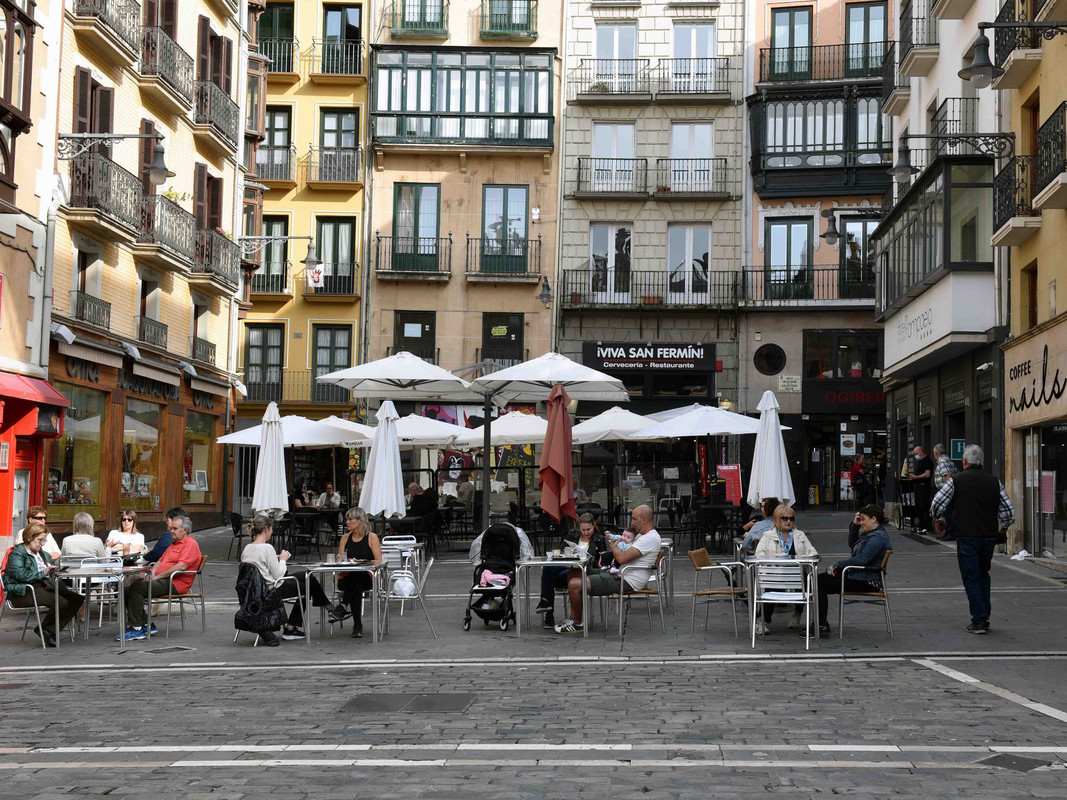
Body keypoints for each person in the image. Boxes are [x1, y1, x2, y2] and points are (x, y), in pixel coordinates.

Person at [930, 444, 1015, 635]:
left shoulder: (956, 480)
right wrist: (1003, 528)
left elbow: (937, 502)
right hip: (988, 536)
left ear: (965, 461)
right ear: (981, 461)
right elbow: (1008, 510)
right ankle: (984, 616)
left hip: (966, 535)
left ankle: (978, 620)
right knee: (983, 573)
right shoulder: (994, 481)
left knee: (971, 576)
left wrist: (938, 519)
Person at [555, 505, 662, 635]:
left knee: (574, 584)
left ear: (644, 519)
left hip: (626, 580)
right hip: (618, 572)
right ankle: (573, 618)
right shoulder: (641, 535)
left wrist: (612, 546)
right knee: (574, 572)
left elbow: (622, 558)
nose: (632, 522)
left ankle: (577, 623)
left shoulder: (650, 538)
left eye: (634, 519)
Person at [241, 514, 338, 644]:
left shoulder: (247, 548)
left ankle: (329, 608)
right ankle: (292, 627)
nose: (272, 531)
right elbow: (279, 575)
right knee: (308, 586)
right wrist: (283, 560)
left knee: (308, 576)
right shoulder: (267, 548)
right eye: (272, 528)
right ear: (266, 529)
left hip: (255, 590)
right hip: (272, 589)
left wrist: (274, 560)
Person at [117, 514, 202, 641]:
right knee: (126, 589)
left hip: (175, 583)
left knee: (136, 588)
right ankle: (145, 624)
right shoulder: (174, 544)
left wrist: (159, 576)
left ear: (185, 530)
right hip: (163, 579)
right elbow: (159, 562)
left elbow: (182, 566)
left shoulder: (190, 544)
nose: (171, 531)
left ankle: (136, 629)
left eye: (175, 528)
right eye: (171, 528)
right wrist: (152, 575)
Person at [1, 523, 85, 647]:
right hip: (23, 591)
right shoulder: (17, 554)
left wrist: (56, 570)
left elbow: (48, 569)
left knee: (77, 599)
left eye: (44, 540)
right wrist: (43, 573)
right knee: (61, 602)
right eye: (40, 540)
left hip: (43, 586)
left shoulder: (42, 553)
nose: (42, 544)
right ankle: (47, 631)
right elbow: (20, 575)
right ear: (29, 538)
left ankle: (48, 630)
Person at [815, 505, 892, 637]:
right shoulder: (871, 534)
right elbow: (853, 545)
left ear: (873, 519)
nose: (862, 523)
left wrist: (838, 565)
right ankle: (820, 624)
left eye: (863, 519)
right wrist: (855, 526)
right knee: (818, 580)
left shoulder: (877, 538)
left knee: (818, 583)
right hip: (859, 575)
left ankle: (820, 625)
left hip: (867, 580)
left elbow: (863, 559)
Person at [534, 513, 608, 630]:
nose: (586, 532)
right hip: (569, 567)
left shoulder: (599, 539)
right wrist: (571, 553)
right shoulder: (573, 535)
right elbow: (561, 551)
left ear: (594, 526)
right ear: (579, 527)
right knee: (548, 567)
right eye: (583, 530)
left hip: (584, 571)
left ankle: (547, 610)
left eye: (588, 529)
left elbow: (603, 561)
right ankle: (546, 604)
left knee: (549, 579)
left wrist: (591, 559)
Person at [753, 505, 818, 634]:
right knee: (771, 585)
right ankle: (761, 621)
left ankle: (797, 615)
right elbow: (759, 554)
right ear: (777, 519)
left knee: (806, 581)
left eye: (791, 518)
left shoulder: (800, 535)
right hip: (775, 573)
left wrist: (805, 556)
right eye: (785, 518)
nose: (788, 521)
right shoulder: (768, 536)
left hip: (796, 573)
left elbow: (813, 552)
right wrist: (772, 560)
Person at [329, 507, 383, 639]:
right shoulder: (345, 538)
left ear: (359, 521)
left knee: (357, 576)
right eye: (347, 519)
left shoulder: (371, 537)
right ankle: (356, 625)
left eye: (350, 519)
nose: (347, 522)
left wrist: (362, 563)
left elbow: (378, 562)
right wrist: (347, 562)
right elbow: (339, 560)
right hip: (346, 578)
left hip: (367, 578)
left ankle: (343, 607)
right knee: (355, 580)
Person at [932, 444, 959, 541]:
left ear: (936, 453)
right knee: (948, 513)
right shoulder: (948, 460)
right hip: (949, 491)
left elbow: (948, 475)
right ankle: (948, 533)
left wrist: (946, 490)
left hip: (946, 492)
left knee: (948, 513)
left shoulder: (943, 461)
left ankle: (950, 533)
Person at [909, 446, 935, 533]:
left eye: (916, 453)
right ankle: (921, 525)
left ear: (921, 451)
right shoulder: (920, 461)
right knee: (919, 507)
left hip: (924, 487)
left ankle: (927, 526)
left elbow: (927, 474)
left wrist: (916, 477)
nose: (915, 456)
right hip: (918, 486)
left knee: (924, 506)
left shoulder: (927, 460)